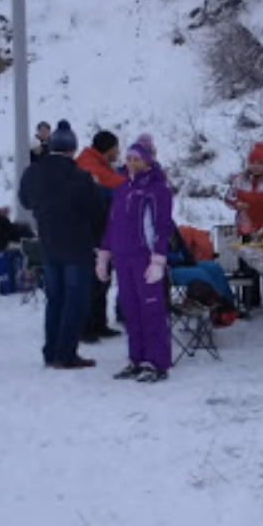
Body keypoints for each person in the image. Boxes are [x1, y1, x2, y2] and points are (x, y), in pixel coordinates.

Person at [19, 120, 105, 369]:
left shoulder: (32, 173)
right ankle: (66, 354)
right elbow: (96, 211)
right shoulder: (80, 177)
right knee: (75, 300)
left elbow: (25, 201)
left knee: (55, 299)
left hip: (47, 243)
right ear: (72, 150)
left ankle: (51, 351)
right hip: (77, 246)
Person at [97, 142, 174, 383]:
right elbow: (112, 223)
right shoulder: (122, 188)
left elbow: (162, 226)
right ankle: (136, 358)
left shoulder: (157, 189)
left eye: (137, 159)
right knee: (130, 310)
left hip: (145, 257)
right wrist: (104, 255)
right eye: (129, 158)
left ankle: (156, 361)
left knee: (151, 310)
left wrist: (158, 260)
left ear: (148, 160)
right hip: (123, 257)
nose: (132, 163)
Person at [76, 130, 125, 342]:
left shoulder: (96, 163)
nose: (119, 151)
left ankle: (99, 323)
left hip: (100, 231)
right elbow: (118, 186)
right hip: (90, 232)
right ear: (108, 149)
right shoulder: (90, 166)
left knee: (102, 279)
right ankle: (87, 328)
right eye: (116, 147)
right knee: (93, 281)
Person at [224, 142, 263, 239]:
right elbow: (228, 198)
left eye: (259, 163)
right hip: (243, 230)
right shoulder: (239, 180)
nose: (256, 166)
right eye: (253, 163)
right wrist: (236, 203)